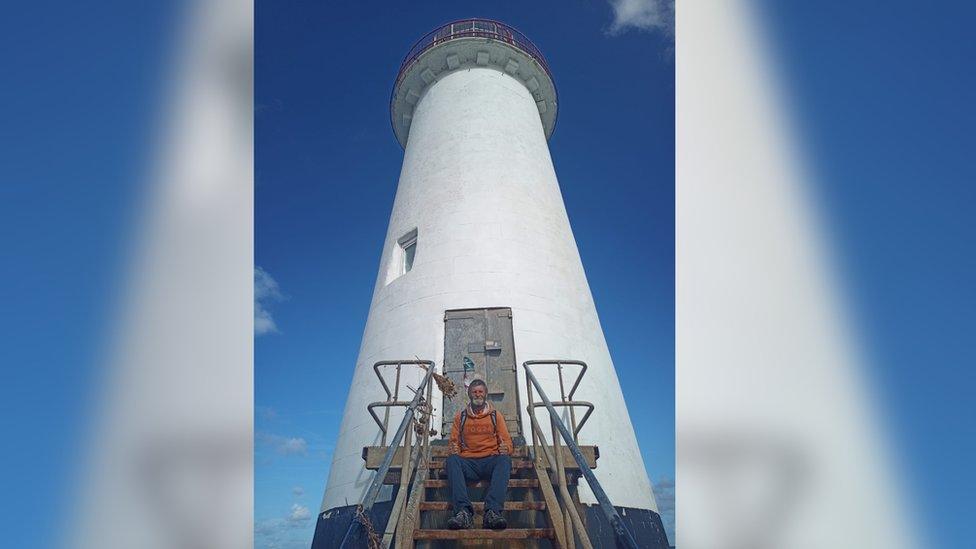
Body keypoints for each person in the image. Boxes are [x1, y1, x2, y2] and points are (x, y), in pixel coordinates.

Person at [445, 378, 513, 530]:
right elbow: (453, 442)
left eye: (480, 391)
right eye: (474, 392)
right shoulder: (460, 417)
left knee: (505, 460)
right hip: (468, 462)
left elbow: (507, 441)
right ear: (469, 394)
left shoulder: (495, 415)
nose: (477, 394)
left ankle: (492, 512)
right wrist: (453, 449)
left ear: (486, 394)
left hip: (490, 460)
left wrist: (506, 448)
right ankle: (463, 513)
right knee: (451, 461)